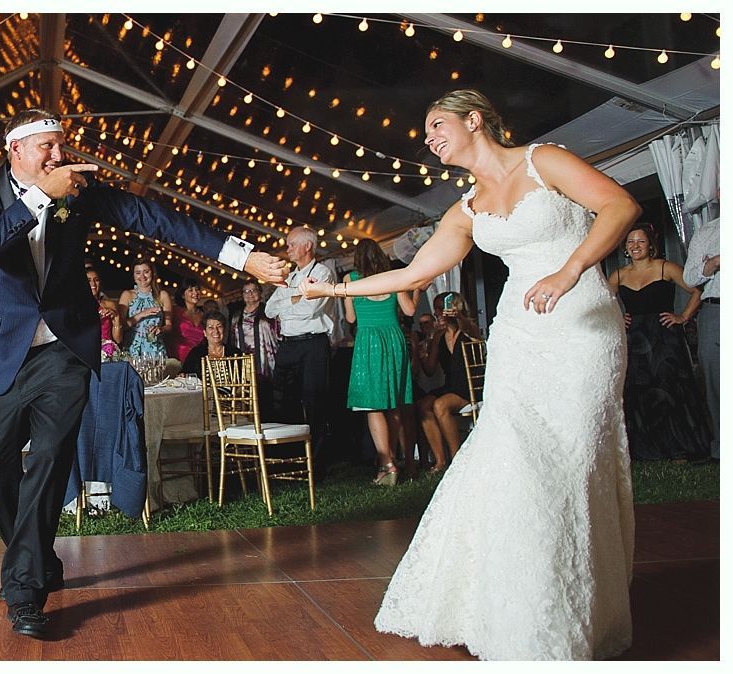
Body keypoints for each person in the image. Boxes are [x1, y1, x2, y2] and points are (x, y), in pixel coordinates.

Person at [302, 89, 640, 660]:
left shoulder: (545, 160)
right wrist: (333, 288)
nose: (429, 138)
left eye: (437, 125)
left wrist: (571, 269)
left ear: (474, 120)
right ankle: (517, 610)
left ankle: (581, 608)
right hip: (519, 333)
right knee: (515, 458)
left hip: (581, 325)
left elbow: (620, 207)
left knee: (575, 462)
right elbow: (413, 272)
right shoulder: (466, 208)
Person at [0, 107, 288, 639]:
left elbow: (155, 218)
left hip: (64, 352)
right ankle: (36, 556)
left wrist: (238, 255)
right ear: (16, 152)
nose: (60, 157)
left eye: (62, 146)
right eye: (47, 148)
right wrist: (42, 197)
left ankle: (23, 590)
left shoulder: (79, 191)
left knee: (48, 466)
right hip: (0, 354)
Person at [608, 224, 710, 461]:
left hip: (664, 337)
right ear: (625, 247)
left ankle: (680, 447)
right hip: (635, 340)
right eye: (630, 242)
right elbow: (602, 302)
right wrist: (616, 317)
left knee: (670, 389)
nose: (635, 246)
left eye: (640, 241)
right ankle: (647, 449)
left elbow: (697, 290)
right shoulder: (618, 275)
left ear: (650, 245)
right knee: (639, 392)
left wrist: (683, 317)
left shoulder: (666, 267)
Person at [343, 239, 420, 484]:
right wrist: (418, 290)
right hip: (394, 339)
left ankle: (387, 463)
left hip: (368, 341)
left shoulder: (350, 279)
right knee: (394, 403)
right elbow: (409, 311)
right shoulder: (394, 277)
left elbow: (351, 318)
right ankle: (394, 460)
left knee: (372, 405)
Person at [265, 226, 338, 477]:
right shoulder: (291, 277)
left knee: (315, 402)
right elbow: (269, 309)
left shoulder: (323, 273)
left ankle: (317, 465)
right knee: (283, 400)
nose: (287, 249)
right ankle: (291, 460)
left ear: (307, 246)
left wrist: (290, 302)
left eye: (291, 244)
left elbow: (311, 310)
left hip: (313, 344)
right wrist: (296, 297)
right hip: (288, 344)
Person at [416, 292, 480, 472]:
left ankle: (457, 459)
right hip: (451, 385)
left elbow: (474, 333)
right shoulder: (439, 336)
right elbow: (430, 370)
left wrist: (458, 317)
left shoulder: (467, 330)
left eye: (439, 308)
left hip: (469, 386)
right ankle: (440, 460)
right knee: (424, 405)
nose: (437, 313)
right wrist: (422, 355)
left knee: (440, 405)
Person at [682, 212, 719, 461]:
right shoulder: (707, 232)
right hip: (715, 310)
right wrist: (713, 263)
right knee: (714, 380)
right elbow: (689, 277)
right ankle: (721, 449)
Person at [118, 260, 171, 358]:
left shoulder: (162, 295)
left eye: (146, 272)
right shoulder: (127, 295)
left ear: (153, 273)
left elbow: (169, 326)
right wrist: (141, 314)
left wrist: (160, 329)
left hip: (155, 350)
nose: (142, 276)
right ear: (134, 276)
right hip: (132, 350)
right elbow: (121, 327)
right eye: (138, 273)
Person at [229, 281, 280, 380]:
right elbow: (232, 338)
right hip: (243, 358)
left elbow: (279, 332)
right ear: (242, 295)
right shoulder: (236, 315)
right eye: (246, 291)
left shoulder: (268, 311)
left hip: (266, 358)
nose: (250, 294)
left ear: (260, 292)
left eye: (253, 290)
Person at [166, 278, 205, 363]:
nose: (195, 293)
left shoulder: (204, 315)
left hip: (197, 359)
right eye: (191, 290)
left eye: (197, 290)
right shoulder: (175, 311)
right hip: (178, 358)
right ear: (183, 295)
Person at [86, 267, 122, 344]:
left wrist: (116, 316)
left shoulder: (109, 304)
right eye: (88, 280)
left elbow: (118, 340)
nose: (93, 284)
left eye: (96, 280)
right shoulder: (76, 306)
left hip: (107, 350)